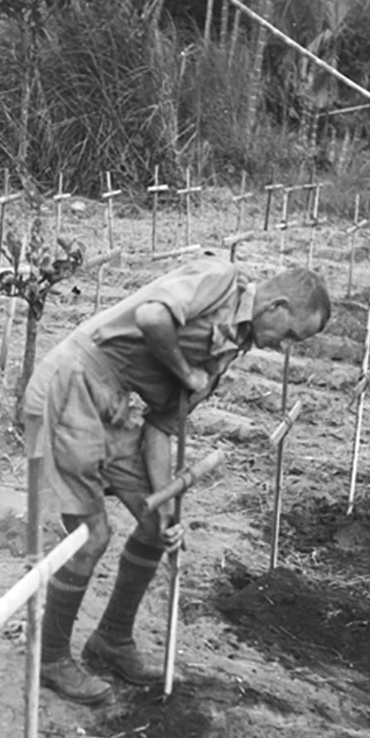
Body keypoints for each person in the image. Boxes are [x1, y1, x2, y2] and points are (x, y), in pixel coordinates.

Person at [24, 249, 332, 706]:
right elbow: (152, 317)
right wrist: (185, 369)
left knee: (158, 528)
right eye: (289, 336)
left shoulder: (229, 353)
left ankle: (112, 639)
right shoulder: (220, 279)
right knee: (91, 537)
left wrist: (166, 504)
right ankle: (50, 659)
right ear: (276, 307)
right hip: (72, 383)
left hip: (112, 405)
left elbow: (161, 429)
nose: (284, 349)